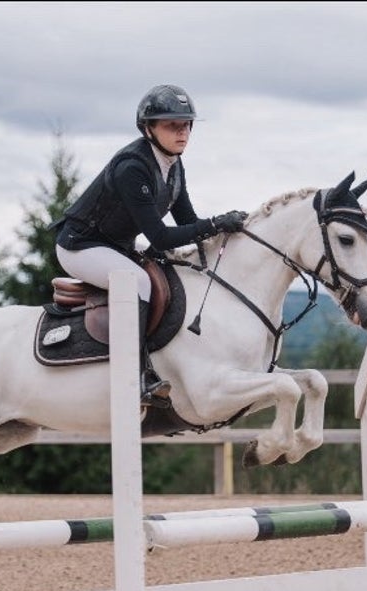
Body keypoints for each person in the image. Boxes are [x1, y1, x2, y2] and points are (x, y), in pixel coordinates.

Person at [52, 84, 248, 408]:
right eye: (172, 125)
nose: (182, 132)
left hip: (115, 246)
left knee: (170, 271)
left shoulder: (173, 165)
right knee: (140, 282)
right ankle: (137, 375)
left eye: (186, 125)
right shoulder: (133, 167)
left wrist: (230, 231)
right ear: (148, 128)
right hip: (81, 246)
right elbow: (160, 237)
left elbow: (187, 221)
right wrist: (214, 224)